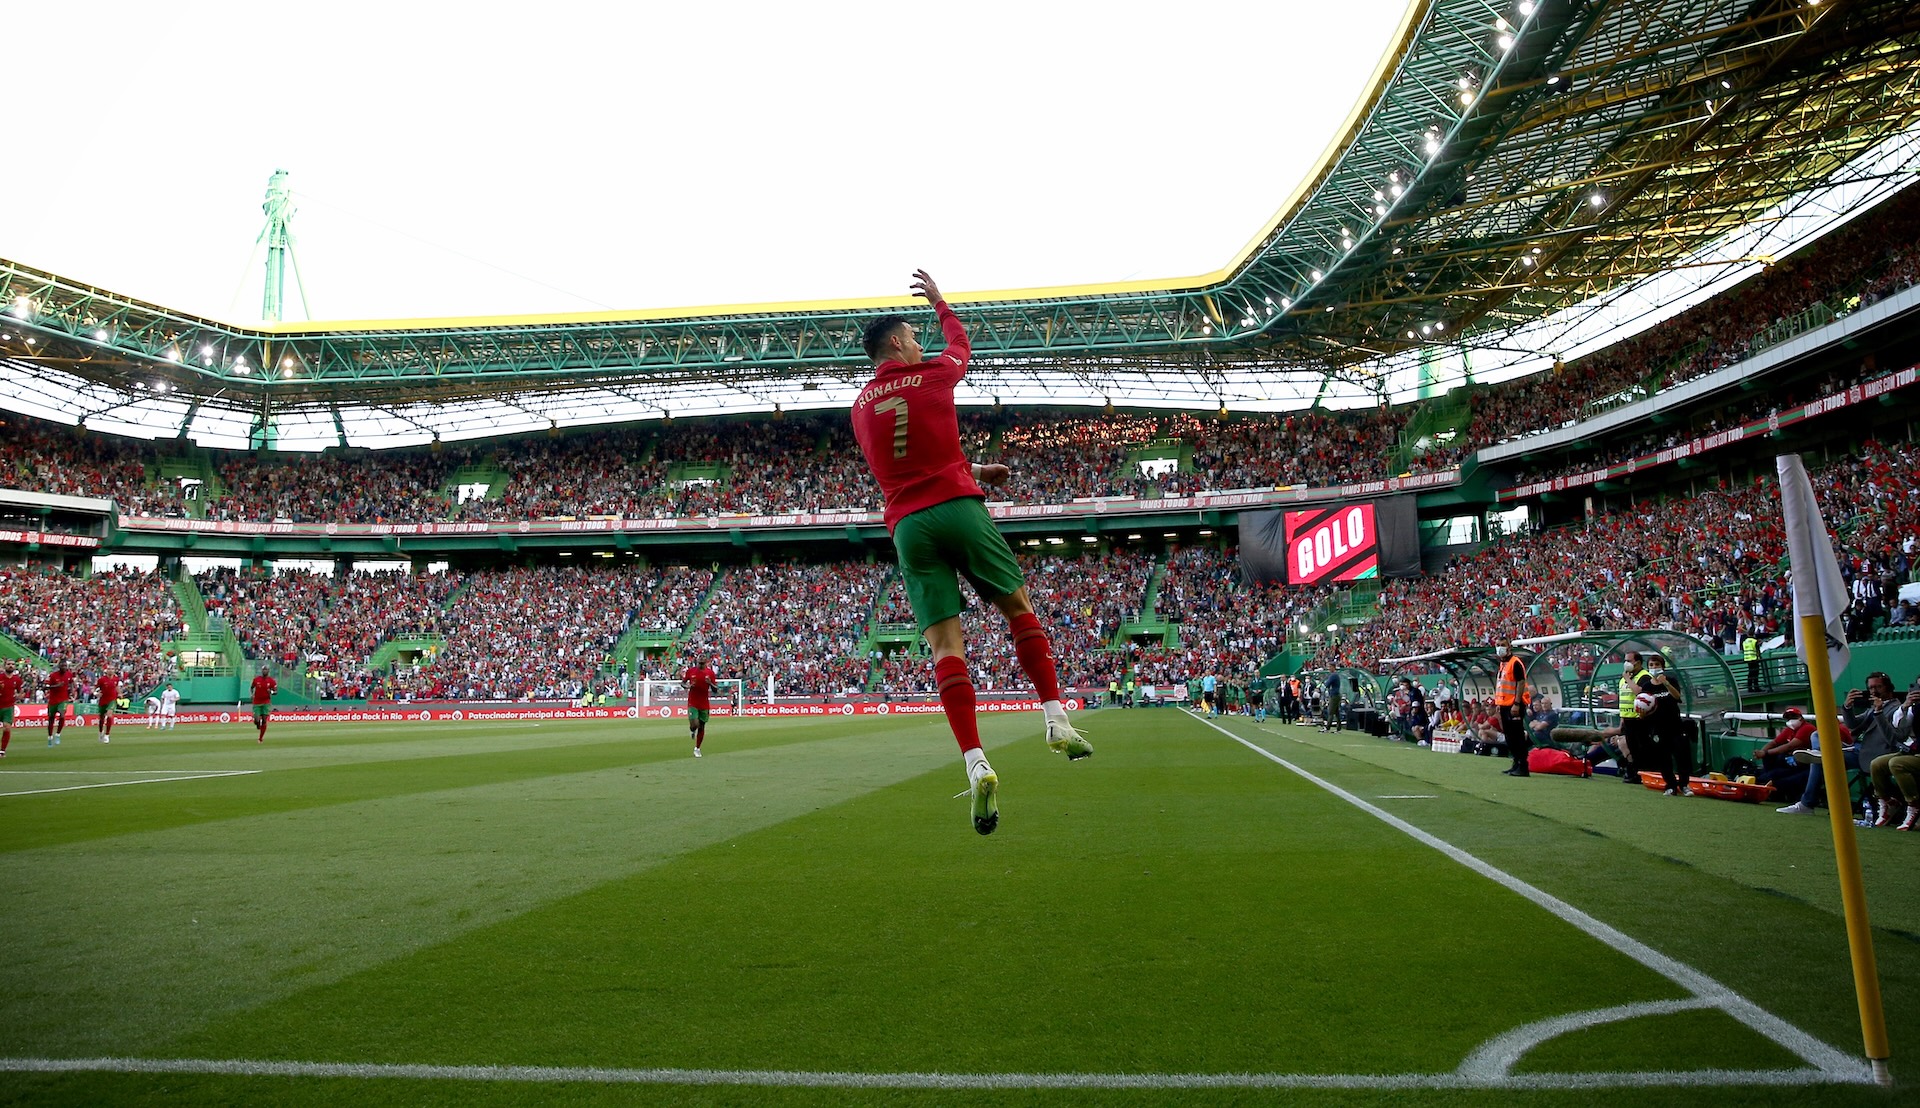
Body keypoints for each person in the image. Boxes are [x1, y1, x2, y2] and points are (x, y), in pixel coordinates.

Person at [851, 269, 1090, 837]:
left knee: (944, 647)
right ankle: (1055, 719)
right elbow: (962, 343)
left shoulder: (859, 409)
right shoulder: (933, 374)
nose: (920, 342)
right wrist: (939, 301)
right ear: (896, 344)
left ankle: (975, 761)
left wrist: (973, 467)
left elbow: (905, 461)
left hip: (908, 525)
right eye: (912, 335)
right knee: (1019, 610)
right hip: (958, 509)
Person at [1867, 682, 1920, 829]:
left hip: (1912, 753)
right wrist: (1905, 706)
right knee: (1877, 764)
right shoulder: (1912, 708)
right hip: (1911, 751)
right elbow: (1898, 734)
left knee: (1896, 763)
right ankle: (1888, 802)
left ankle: (1914, 804)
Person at [1640, 652, 1690, 796]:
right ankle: (1671, 785)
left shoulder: (1671, 680)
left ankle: (1684, 785)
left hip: (1675, 725)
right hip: (1657, 727)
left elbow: (1677, 696)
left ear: (1662, 666)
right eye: (1651, 665)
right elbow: (1644, 705)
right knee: (1663, 758)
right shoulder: (1647, 686)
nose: (1654, 667)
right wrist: (1642, 713)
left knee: (1681, 756)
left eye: (1657, 665)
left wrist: (1666, 683)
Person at [1615, 653, 1652, 784]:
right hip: (1627, 719)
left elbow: (1639, 692)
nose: (1626, 663)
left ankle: (1643, 773)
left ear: (1638, 662)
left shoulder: (1644, 676)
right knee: (1631, 748)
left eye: (1629, 660)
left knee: (1641, 748)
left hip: (1639, 719)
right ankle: (1634, 772)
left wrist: (1628, 679)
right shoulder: (1624, 677)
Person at [1494, 644, 1530, 776]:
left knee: (1517, 735)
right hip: (1505, 704)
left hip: (1514, 705)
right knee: (1510, 736)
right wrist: (1499, 702)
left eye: (1502, 645)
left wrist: (1517, 703)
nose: (1499, 648)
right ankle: (1516, 763)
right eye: (1498, 645)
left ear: (1509, 648)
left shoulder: (1515, 663)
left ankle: (1523, 765)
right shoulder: (1503, 664)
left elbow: (1520, 682)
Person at [683, 656, 717, 757]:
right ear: (697, 662)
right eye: (699, 663)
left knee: (701, 726)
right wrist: (688, 686)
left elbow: (715, 689)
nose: (701, 665)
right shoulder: (691, 671)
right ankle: (692, 730)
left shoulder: (710, 673)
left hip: (704, 703)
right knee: (695, 724)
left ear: (706, 663)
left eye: (703, 663)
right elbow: (682, 683)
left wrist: (710, 683)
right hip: (693, 702)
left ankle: (697, 748)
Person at [44, 661, 73, 747]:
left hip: (63, 700)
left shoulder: (69, 674)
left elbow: (71, 682)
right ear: (59, 666)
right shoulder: (53, 675)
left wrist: (71, 691)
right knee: (51, 719)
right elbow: (45, 686)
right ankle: (50, 737)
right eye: (63, 665)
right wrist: (56, 686)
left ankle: (58, 735)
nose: (64, 667)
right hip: (53, 700)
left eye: (65, 666)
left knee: (62, 716)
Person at [249, 670, 277, 743]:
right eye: (264, 670)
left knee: (264, 720)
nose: (265, 671)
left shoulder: (271, 681)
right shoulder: (256, 679)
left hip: (266, 702)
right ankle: (258, 725)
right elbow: (252, 687)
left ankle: (260, 738)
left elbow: (275, 692)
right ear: (262, 671)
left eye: (266, 670)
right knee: (256, 720)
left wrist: (271, 692)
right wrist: (252, 694)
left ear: (268, 671)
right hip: (257, 702)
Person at [0, 660, 21, 757]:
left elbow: (20, 692)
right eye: (9, 664)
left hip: (8, 707)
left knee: (7, 728)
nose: (11, 666)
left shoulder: (17, 679)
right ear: (5, 666)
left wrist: (18, 696)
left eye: (12, 664)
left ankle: (2, 750)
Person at [94, 670, 120, 745]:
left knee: (109, 715)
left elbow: (116, 686)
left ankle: (107, 735)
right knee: (101, 718)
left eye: (112, 669)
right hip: (103, 700)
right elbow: (95, 687)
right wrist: (96, 693)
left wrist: (120, 693)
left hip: (112, 700)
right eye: (110, 669)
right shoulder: (102, 679)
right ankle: (100, 732)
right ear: (107, 671)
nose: (111, 671)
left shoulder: (116, 679)